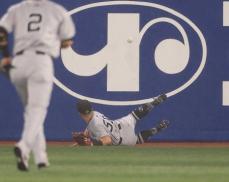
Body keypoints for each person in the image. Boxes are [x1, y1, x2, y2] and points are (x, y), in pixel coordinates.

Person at [0, 0, 75, 171]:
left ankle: (41, 159)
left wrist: (5, 56)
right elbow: (67, 41)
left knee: (32, 112)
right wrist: (59, 42)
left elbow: (1, 31)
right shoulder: (57, 10)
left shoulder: (17, 8)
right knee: (37, 110)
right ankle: (24, 147)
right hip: (41, 63)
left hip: (18, 63)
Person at [74, 94, 169, 146]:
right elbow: (89, 130)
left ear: (80, 114)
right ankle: (153, 103)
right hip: (122, 124)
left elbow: (107, 140)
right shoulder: (95, 114)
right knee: (135, 115)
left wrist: (91, 144)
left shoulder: (95, 125)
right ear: (91, 108)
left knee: (137, 140)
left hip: (123, 139)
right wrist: (83, 138)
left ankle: (157, 129)